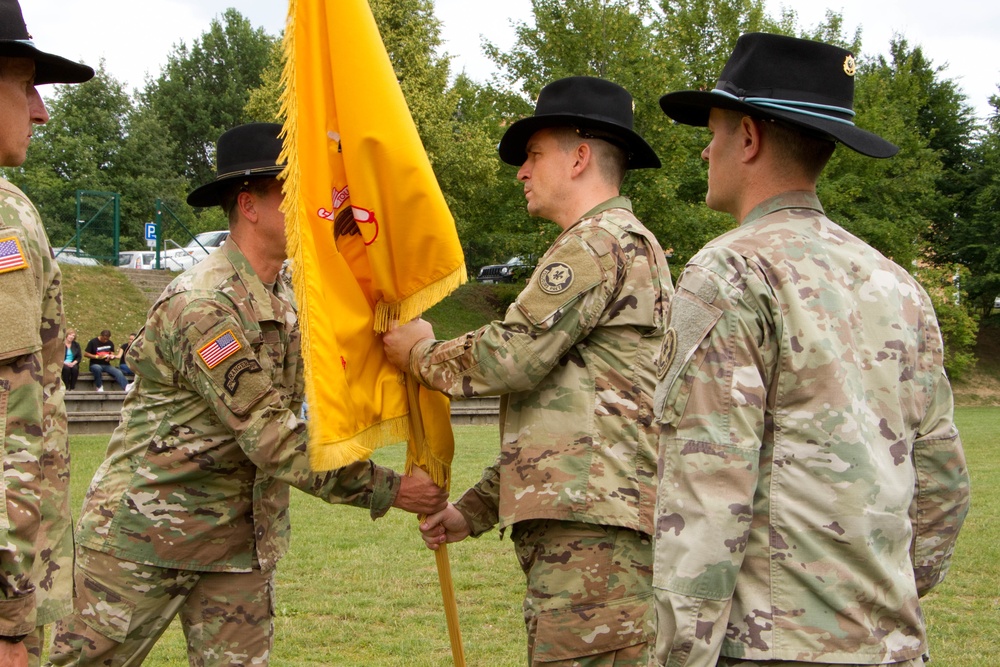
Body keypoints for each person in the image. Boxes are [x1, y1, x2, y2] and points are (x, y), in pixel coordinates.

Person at [47, 123, 448, 666]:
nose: (312, 207)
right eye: (292, 193)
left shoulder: (286, 293)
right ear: (249, 205)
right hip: (146, 535)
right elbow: (273, 438)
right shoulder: (204, 304)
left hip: (238, 545)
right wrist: (389, 489)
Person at [650, 33, 972, 667]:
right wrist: (874, 604)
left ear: (748, 137)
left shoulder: (730, 272)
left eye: (713, 131)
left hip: (774, 648)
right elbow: (941, 481)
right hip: (888, 646)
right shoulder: (897, 283)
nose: (706, 149)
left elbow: (707, 495)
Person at [383, 76, 673, 665]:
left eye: (534, 155)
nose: (521, 171)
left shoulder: (596, 245)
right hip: (595, 533)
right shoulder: (620, 244)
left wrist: (417, 354)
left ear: (580, 158)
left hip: (593, 541)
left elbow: (511, 357)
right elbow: (569, 429)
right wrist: (474, 510)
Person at [0, 2, 94, 665]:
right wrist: (11, 618)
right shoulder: (5, 221)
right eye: (26, 85)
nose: (42, 110)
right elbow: (16, 425)